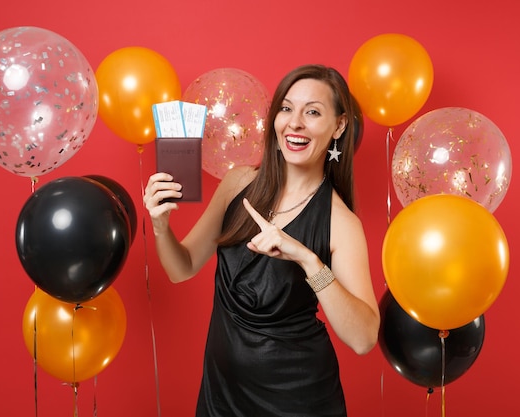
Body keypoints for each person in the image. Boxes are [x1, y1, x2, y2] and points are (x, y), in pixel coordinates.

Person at [143, 64, 380, 416]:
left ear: (339, 126)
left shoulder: (340, 222)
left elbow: (363, 339)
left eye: (312, 112)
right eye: (286, 108)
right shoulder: (239, 183)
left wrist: (307, 260)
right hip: (221, 395)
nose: (295, 123)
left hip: (298, 400)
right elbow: (183, 267)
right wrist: (161, 226)